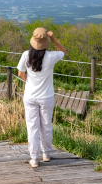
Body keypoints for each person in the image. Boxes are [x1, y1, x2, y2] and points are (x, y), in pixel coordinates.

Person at [17, 27, 67, 168]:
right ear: (45, 42)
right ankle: (46, 153)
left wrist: (29, 83)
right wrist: (53, 38)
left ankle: (34, 158)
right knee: (46, 125)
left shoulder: (26, 55)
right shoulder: (51, 57)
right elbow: (63, 51)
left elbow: (20, 73)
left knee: (32, 127)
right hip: (46, 97)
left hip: (30, 96)